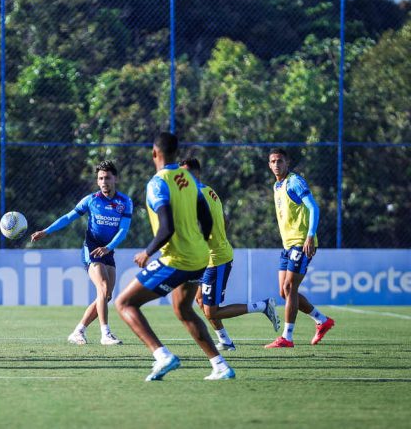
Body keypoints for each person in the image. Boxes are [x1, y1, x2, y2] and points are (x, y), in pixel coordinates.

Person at [115, 132, 235, 381]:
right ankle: (220, 365)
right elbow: (206, 216)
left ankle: (162, 356)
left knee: (124, 304)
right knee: (183, 310)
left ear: (154, 153)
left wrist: (147, 252)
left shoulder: (158, 183)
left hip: (177, 260)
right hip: (201, 257)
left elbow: (166, 228)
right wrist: (199, 241)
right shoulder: (189, 179)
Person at [179, 158, 279, 351]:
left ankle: (262, 306)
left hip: (217, 259)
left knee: (212, 311)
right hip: (208, 257)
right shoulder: (209, 191)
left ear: (195, 174)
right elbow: (225, 220)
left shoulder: (195, 196)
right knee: (200, 301)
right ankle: (225, 341)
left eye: (184, 174)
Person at [31, 160, 132, 346]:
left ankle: (78, 331)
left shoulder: (125, 202)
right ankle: (105, 334)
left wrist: (109, 247)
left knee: (107, 295)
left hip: (107, 250)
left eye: (107, 178)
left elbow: (123, 231)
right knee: (102, 289)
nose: (104, 182)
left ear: (115, 178)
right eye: (100, 178)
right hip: (92, 248)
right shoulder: (91, 200)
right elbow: (69, 217)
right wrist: (46, 231)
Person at [265, 148, 335, 348]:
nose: (276, 164)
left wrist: (310, 236)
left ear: (287, 163)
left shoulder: (294, 181)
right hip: (287, 245)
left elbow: (314, 207)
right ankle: (322, 320)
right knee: (284, 292)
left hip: (301, 242)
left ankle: (287, 337)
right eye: (273, 161)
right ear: (269, 165)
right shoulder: (277, 186)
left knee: (290, 288)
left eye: (280, 161)